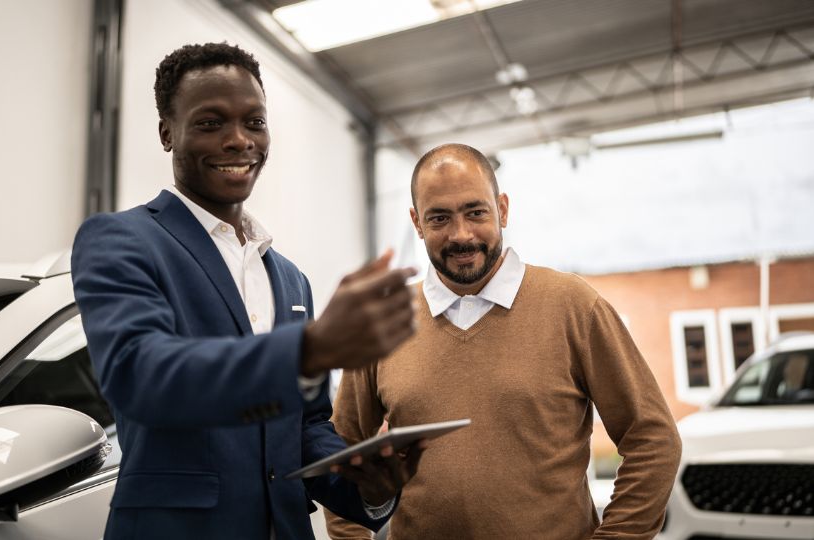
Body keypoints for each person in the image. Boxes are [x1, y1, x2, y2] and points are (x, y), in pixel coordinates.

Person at [71, 42, 424, 540]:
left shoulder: (289, 278)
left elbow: (303, 426)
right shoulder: (120, 240)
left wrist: (368, 484)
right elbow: (141, 375)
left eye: (254, 122)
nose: (239, 140)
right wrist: (311, 347)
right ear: (167, 132)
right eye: (211, 123)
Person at [326, 143, 682, 539]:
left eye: (475, 212)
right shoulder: (382, 321)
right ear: (417, 223)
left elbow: (653, 438)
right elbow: (343, 453)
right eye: (439, 218)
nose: (461, 235)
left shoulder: (572, 305)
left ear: (503, 209)